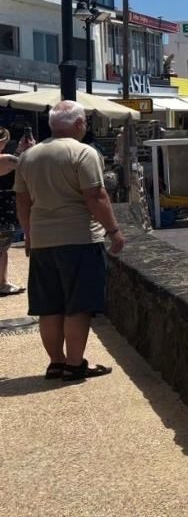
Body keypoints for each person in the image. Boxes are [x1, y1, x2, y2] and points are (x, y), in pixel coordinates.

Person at [15, 101, 125, 381]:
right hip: (79, 238)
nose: (85, 126)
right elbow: (96, 196)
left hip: (42, 240)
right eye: (85, 122)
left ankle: (56, 362)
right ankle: (75, 364)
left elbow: (23, 201)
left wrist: (28, 235)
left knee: (49, 305)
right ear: (77, 124)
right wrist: (113, 230)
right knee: (78, 305)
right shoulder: (84, 153)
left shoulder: (29, 156)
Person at [0, 128, 27, 297]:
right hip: (3, 207)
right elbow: (27, 166)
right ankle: (2, 283)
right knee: (2, 248)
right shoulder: (7, 159)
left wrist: (19, 150)